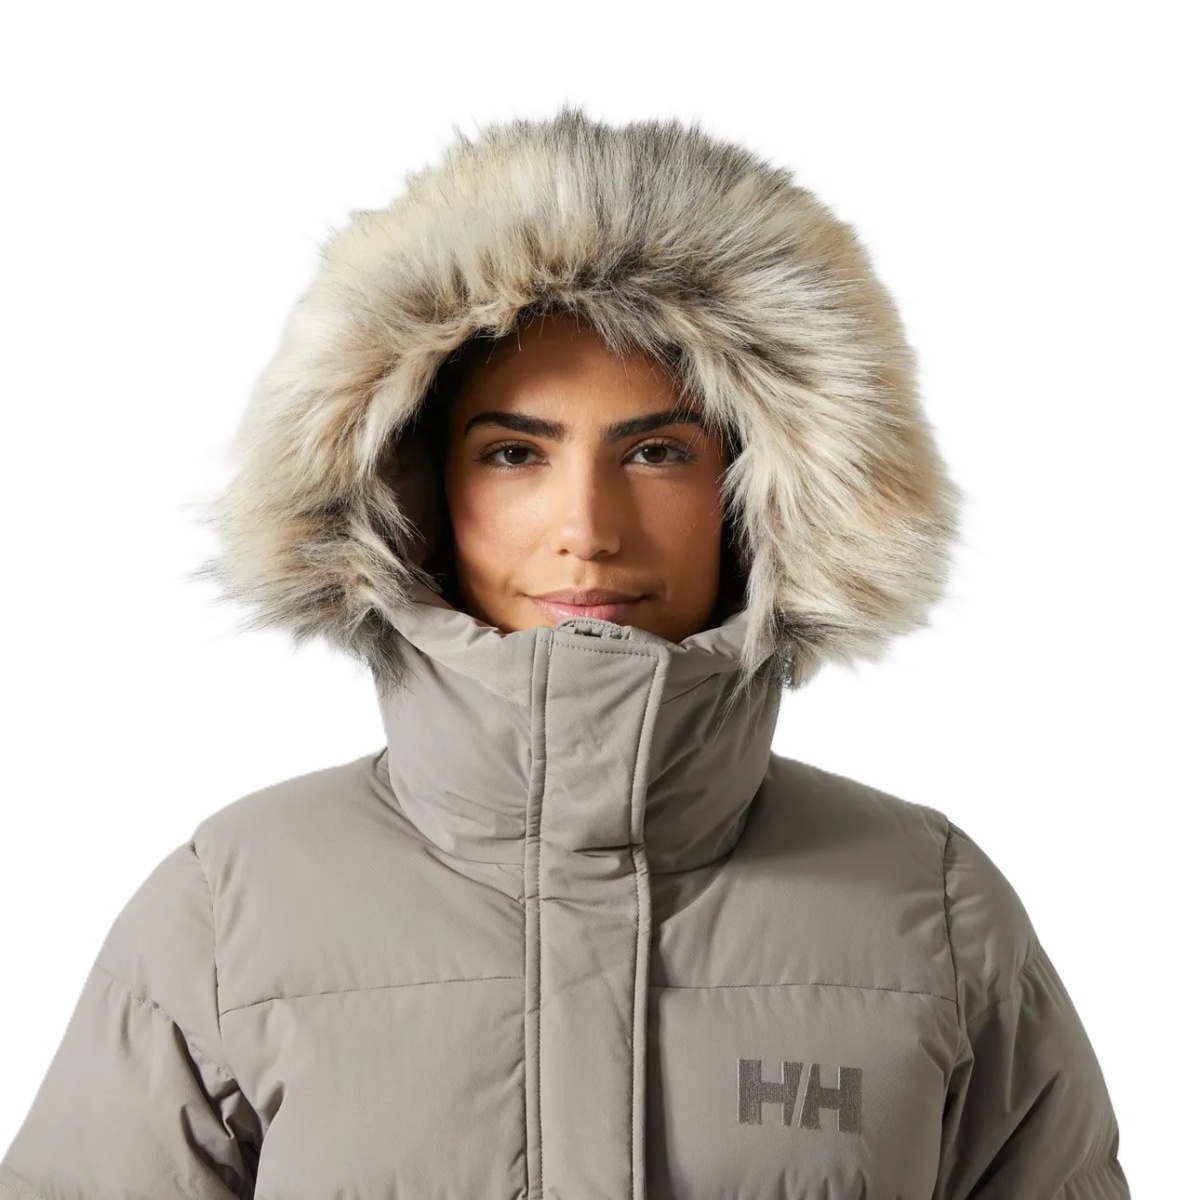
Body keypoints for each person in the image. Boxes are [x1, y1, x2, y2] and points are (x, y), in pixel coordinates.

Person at [0, 105, 1130, 1198]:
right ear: (413, 486)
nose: (586, 528)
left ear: (761, 493)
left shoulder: (930, 910)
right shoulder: (229, 912)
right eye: (513, 454)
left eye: (656, 452)